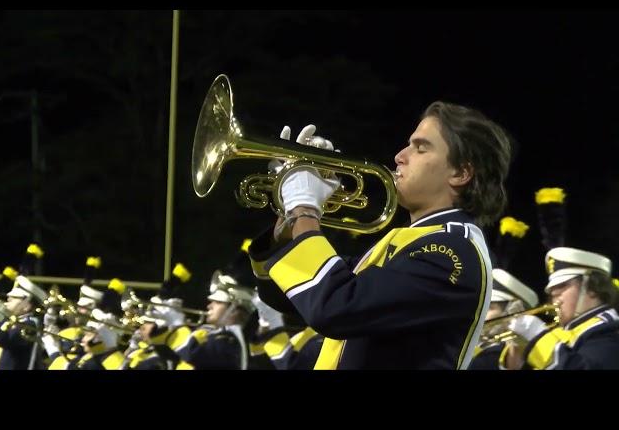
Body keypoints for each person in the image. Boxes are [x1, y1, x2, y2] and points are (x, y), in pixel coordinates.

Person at [249, 101, 512, 369]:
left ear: (460, 173)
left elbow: (335, 308)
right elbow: (286, 296)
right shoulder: (411, 241)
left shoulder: (452, 251)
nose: (400, 155)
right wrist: (288, 218)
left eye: (420, 148)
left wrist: (303, 207)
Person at [501, 187, 619, 370]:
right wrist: (516, 351)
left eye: (563, 285)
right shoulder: (561, 332)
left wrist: (537, 336)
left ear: (593, 289)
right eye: (552, 288)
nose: (554, 293)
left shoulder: (609, 331)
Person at [469, 216, 538, 370]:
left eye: (490, 308)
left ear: (513, 312)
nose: (481, 315)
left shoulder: (499, 357)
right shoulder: (472, 347)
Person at [0, 244, 48, 370]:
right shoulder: (11, 322)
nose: (9, 298)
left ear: (27, 305)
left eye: (15, 297)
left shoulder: (29, 326)